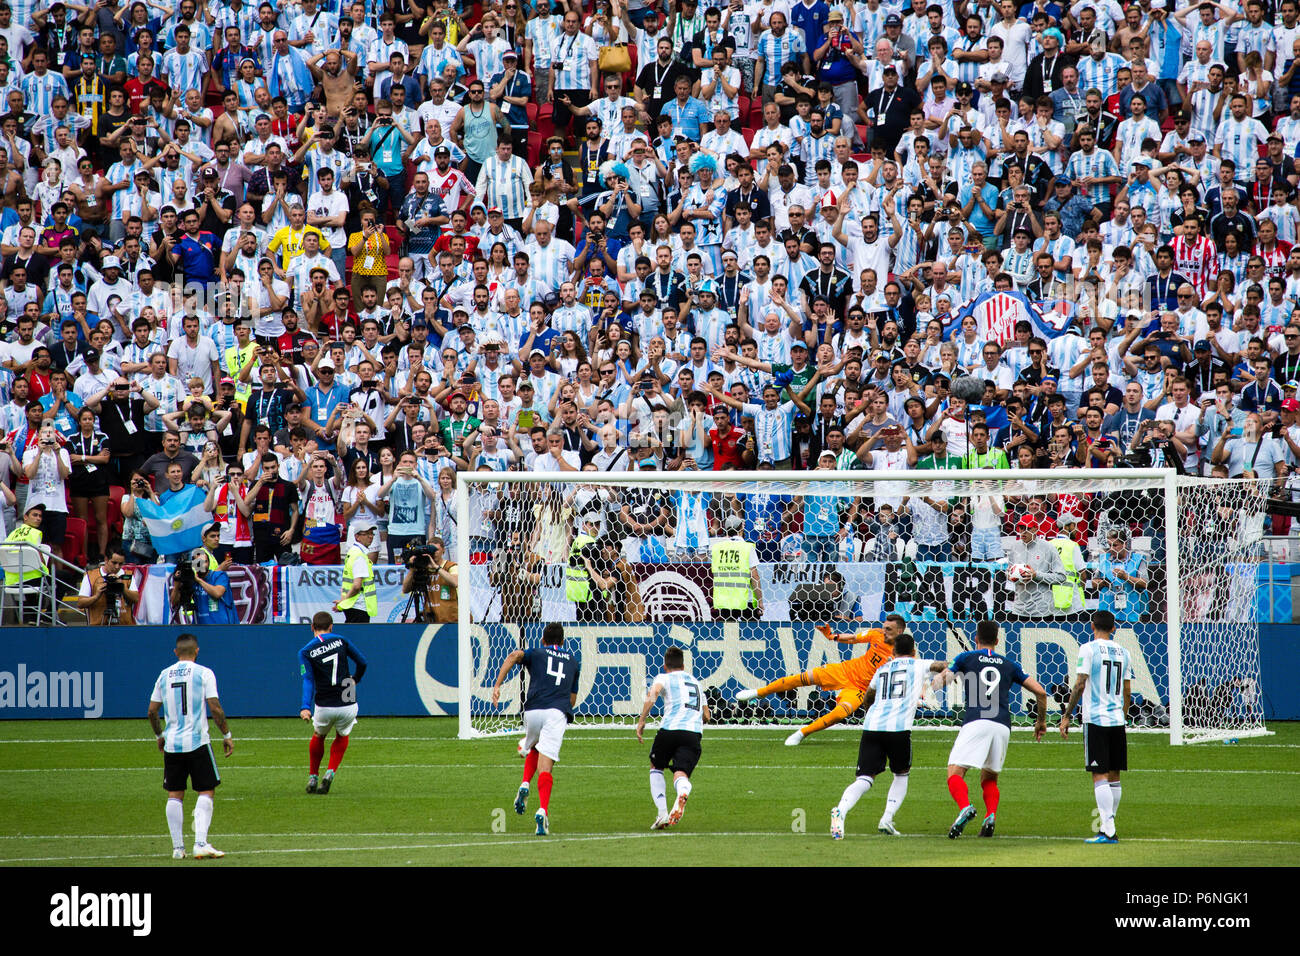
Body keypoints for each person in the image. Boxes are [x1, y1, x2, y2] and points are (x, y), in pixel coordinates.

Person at [935, 620, 1048, 839]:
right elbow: (1041, 693)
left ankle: (965, 807)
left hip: (976, 722)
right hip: (1002, 726)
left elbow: (942, 682)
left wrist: (934, 683)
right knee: (989, 778)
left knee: (955, 772)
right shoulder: (1009, 664)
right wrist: (1040, 721)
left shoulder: (965, 658)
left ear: (975, 639)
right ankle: (990, 815)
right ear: (997, 641)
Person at [831, 632, 946, 838]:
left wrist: (869, 713)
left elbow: (868, 696)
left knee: (865, 779)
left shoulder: (882, 668)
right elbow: (941, 666)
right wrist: (954, 669)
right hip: (898, 729)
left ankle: (841, 809)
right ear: (913, 651)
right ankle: (887, 818)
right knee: (901, 774)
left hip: (872, 726)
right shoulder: (919, 664)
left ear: (893, 651)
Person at [735, 613, 907, 745]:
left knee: (840, 713)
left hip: (861, 688)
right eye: (884, 628)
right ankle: (758, 693)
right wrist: (833, 637)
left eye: (888, 630)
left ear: (899, 631)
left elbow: (911, 673)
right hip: (844, 671)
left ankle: (802, 733)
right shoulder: (876, 634)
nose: (884, 632)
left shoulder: (905, 654)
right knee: (802, 678)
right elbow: (855, 638)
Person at [147, 632, 233, 860]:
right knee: (206, 790)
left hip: (172, 743)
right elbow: (214, 707)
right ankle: (200, 843)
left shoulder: (164, 674)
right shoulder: (204, 673)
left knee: (175, 794)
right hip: (197, 741)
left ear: (176, 652)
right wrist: (227, 734)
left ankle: (177, 849)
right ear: (197, 651)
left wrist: (159, 735)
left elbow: (152, 711)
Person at [490, 622, 580, 836]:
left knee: (534, 747)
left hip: (532, 711)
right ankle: (543, 810)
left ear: (543, 640)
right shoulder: (574, 662)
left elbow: (512, 656)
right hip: (556, 712)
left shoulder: (536, 652)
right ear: (563, 642)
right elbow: (572, 700)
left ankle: (524, 784)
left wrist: (497, 685)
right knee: (546, 766)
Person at [1059, 609, 1132, 844]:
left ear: (1092, 626)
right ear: (1113, 628)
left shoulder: (1088, 649)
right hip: (1117, 721)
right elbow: (1127, 689)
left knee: (1099, 775)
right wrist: (1122, 716)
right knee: (1114, 775)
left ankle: (1108, 830)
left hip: (1096, 719)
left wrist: (1067, 714)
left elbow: (1080, 683)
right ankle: (1108, 825)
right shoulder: (1124, 652)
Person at [636, 645, 708, 830]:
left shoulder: (663, 677)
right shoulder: (696, 682)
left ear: (665, 666)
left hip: (669, 730)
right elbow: (706, 715)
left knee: (656, 766)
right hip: (692, 733)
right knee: (680, 773)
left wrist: (642, 720)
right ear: (683, 666)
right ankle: (682, 792)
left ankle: (662, 813)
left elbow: (653, 694)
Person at [299, 610, 369, 795]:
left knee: (319, 736)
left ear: (312, 627)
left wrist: (305, 707)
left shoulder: (305, 651)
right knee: (342, 735)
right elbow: (363, 662)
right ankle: (330, 772)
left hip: (324, 702)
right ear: (331, 627)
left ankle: (313, 776)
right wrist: (355, 680)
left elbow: (307, 679)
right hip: (348, 697)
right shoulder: (341, 640)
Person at [169, 540, 237, 626]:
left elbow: (217, 593)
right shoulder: (192, 579)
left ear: (208, 563)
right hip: (201, 628)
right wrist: (177, 583)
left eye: (203, 561)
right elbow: (175, 602)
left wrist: (198, 580)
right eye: (197, 562)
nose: (201, 565)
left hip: (222, 627)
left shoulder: (219, 576)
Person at [710, 512, 762, 619]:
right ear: (742, 528)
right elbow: (754, 576)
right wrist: (760, 601)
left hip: (725, 601)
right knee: (751, 634)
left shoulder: (717, 548)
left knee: (730, 634)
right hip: (744, 600)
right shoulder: (747, 548)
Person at [76, 546, 141, 625]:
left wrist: (122, 587)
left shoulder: (127, 575)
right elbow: (80, 603)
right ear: (106, 559)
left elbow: (136, 598)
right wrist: (96, 596)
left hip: (124, 627)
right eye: (114, 563)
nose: (117, 567)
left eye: (120, 564)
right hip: (98, 627)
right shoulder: (91, 576)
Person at [399, 535, 458, 622]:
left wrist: (436, 567)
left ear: (443, 550)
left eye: (436, 550)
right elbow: (405, 589)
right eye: (431, 550)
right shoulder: (423, 568)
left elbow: (455, 582)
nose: (434, 553)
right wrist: (412, 569)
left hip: (452, 620)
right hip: (431, 620)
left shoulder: (450, 566)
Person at [334, 523, 378, 622]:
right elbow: (357, 586)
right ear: (357, 537)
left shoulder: (353, 552)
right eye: (366, 534)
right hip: (359, 606)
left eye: (372, 533)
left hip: (353, 605)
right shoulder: (359, 556)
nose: (370, 536)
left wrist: (343, 601)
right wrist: (343, 601)